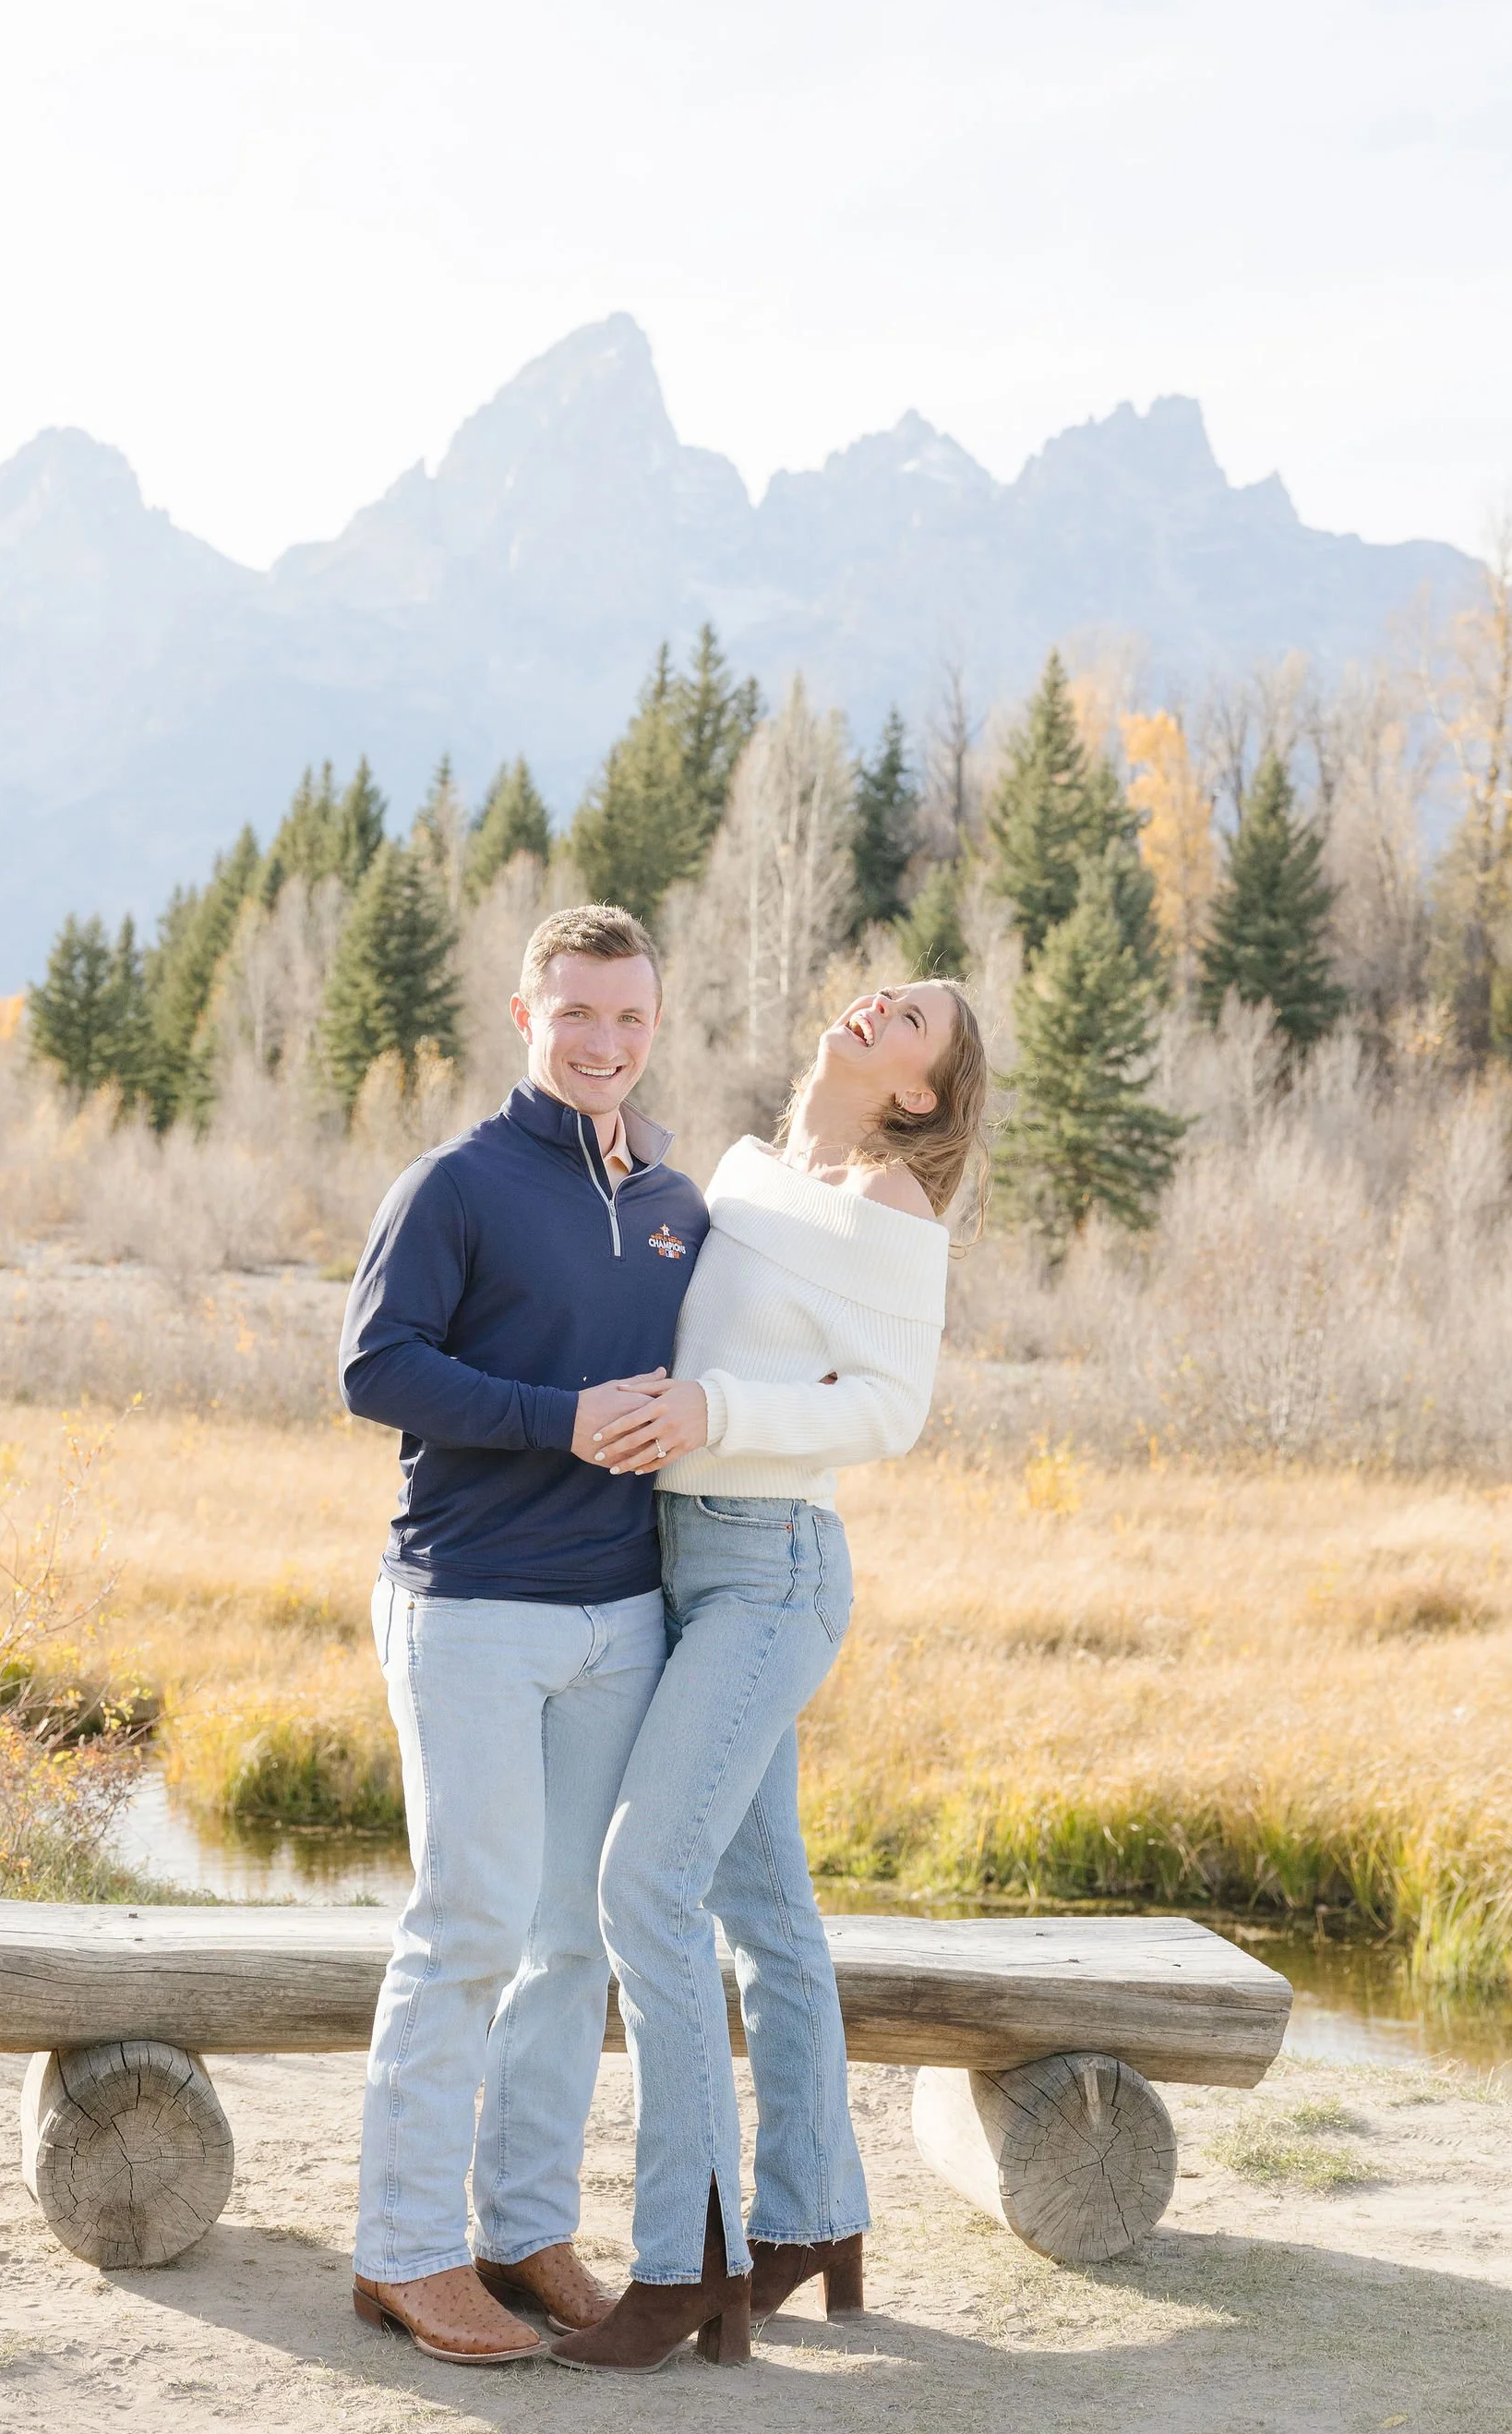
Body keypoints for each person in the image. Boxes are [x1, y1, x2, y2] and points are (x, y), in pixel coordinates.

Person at [555, 979, 989, 2373]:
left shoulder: (893, 1204)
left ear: (917, 1093)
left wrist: (712, 1413)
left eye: (912, 1019)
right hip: (679, 1556)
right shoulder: (753, 1169)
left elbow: (892, 1409)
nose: (881, 1003)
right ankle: (812, 2216)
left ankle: (686, 2260)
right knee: (764, 1907)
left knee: (645, 1885)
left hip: (771, 1569)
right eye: (887, 989)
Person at [337, 903, 709, 2366]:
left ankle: (526, 2232)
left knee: (572, 1944)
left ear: (653, 1024)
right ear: (524, 1016)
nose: (604, 1042)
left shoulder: (677, 1196)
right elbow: (375, 1369)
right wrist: (558, 1422)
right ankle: (407, 2252)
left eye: (628, 1017)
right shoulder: (456, 1185)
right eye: (578, 1015)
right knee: (468, 1930)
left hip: (621, 1620)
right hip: (472, 1609)